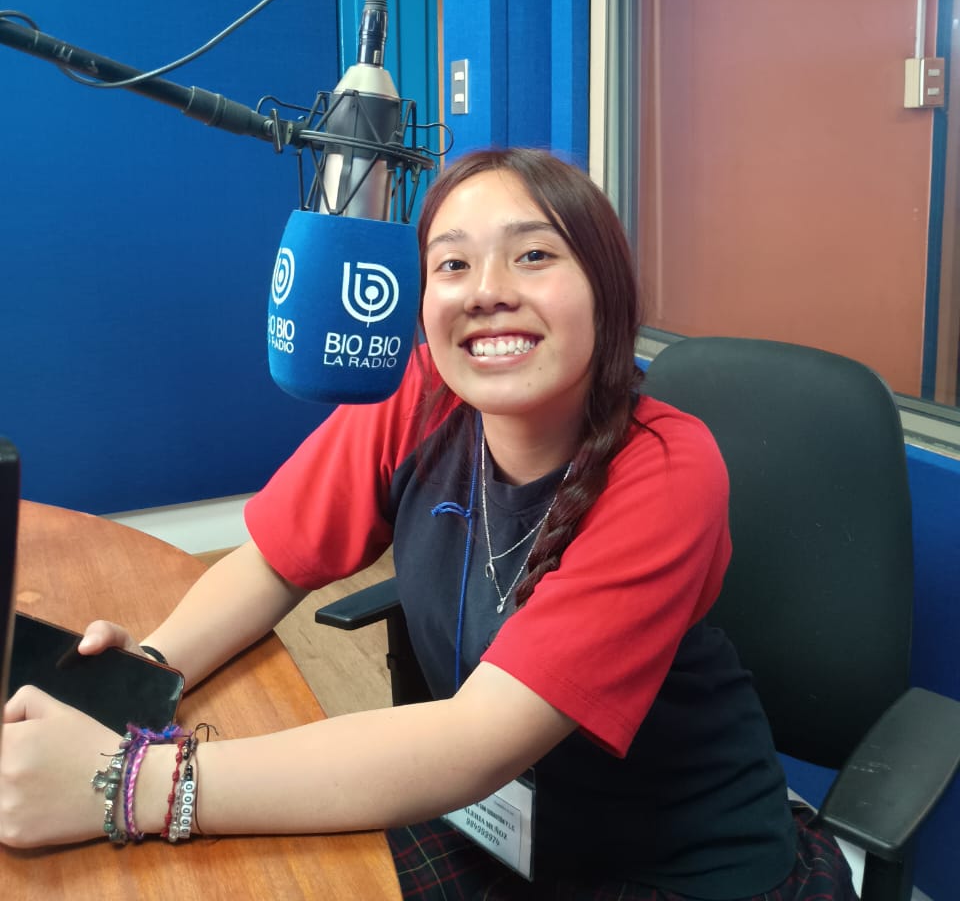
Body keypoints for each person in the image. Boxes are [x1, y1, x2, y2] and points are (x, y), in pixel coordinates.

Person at [1, 147, 856, 900]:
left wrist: (131, 785)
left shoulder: (668, 466)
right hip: (490, 828)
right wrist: (143, 681)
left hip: (676, 859)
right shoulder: (421, 395)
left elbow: (477, 741)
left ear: (607, 288)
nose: (487, 292)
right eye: (452, 264)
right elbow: (271, 562)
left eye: (533, 255)